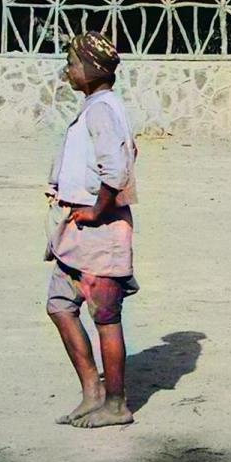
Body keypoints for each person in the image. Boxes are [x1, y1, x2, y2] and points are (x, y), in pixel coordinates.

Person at [44, 30, 138, 429]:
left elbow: (116, 170)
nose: (67, 70)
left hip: (100, 231)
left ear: (93, 69)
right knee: (59, 305)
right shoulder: (94, 107)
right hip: (76, 232)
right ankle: (92, 392)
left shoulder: (102, 110)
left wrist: (97, 211)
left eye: (72, 63)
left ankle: (116, 405)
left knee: (105, 317)